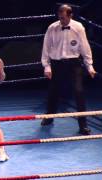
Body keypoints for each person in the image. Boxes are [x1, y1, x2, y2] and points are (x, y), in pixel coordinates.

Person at [40, 4, 96, 135]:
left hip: (73, 63)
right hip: (57, 63)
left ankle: (83, 125)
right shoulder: (52, 28)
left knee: (79, 92)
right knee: (53, 92)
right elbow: (46, 48)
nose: (61, 20)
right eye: (60, 18)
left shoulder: (78, 27)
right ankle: (49, 118)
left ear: (71, 15)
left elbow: (85, 47)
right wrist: (47, 66)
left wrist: (89, 66)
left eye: (64, 18)